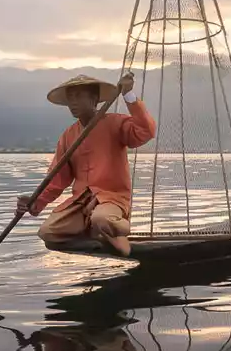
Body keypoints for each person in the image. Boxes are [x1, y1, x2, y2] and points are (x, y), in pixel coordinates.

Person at [17, 71, 154, 256]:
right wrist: (35, 202)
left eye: (78, 96)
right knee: (47, 232)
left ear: (94, 99)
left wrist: (128, 95)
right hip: (81, 203)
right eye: (70, 98)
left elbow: (145, 131)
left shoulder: (115, 123)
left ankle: (115, 228)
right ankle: (97, 232)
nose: (73, 103)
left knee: (102, 219)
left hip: (111, 198)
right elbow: (57, 179)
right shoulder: (68, 136)